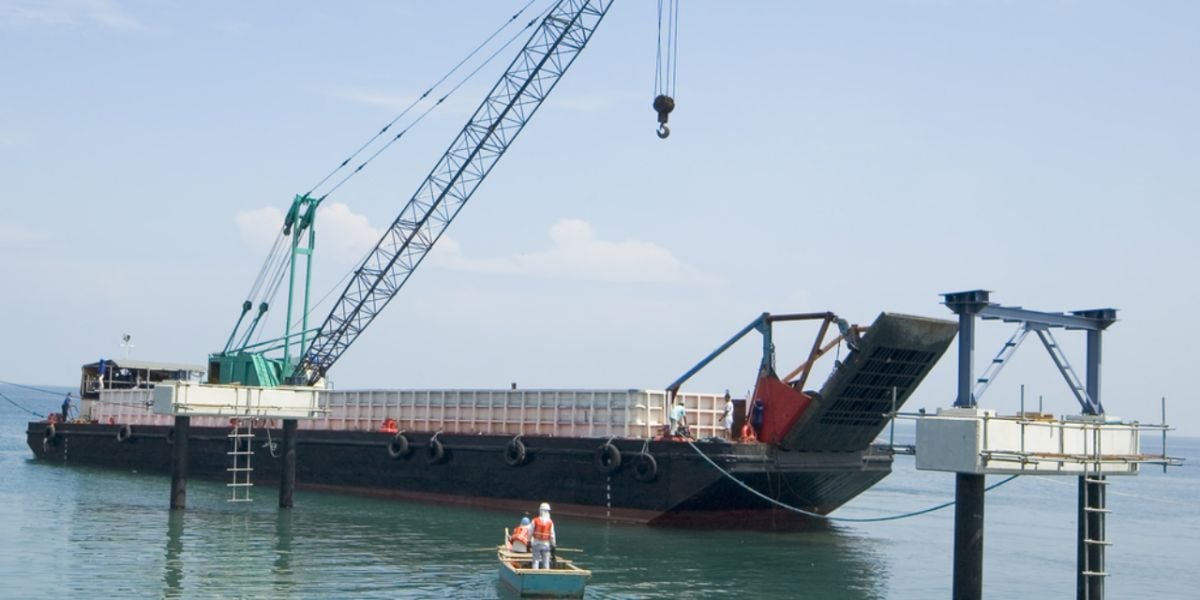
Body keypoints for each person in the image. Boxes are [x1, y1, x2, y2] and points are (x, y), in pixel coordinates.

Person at [530, 502, 557, 569]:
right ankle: (546, 575)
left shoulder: (535, 520)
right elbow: (552, 535)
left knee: (535, 561)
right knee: (546, 562)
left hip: (536, 544)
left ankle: (534, 574)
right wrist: (553, 545)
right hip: (546, 545)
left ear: (540, 510)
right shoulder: (550, 522)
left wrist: (528, 541)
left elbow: (530, 532)